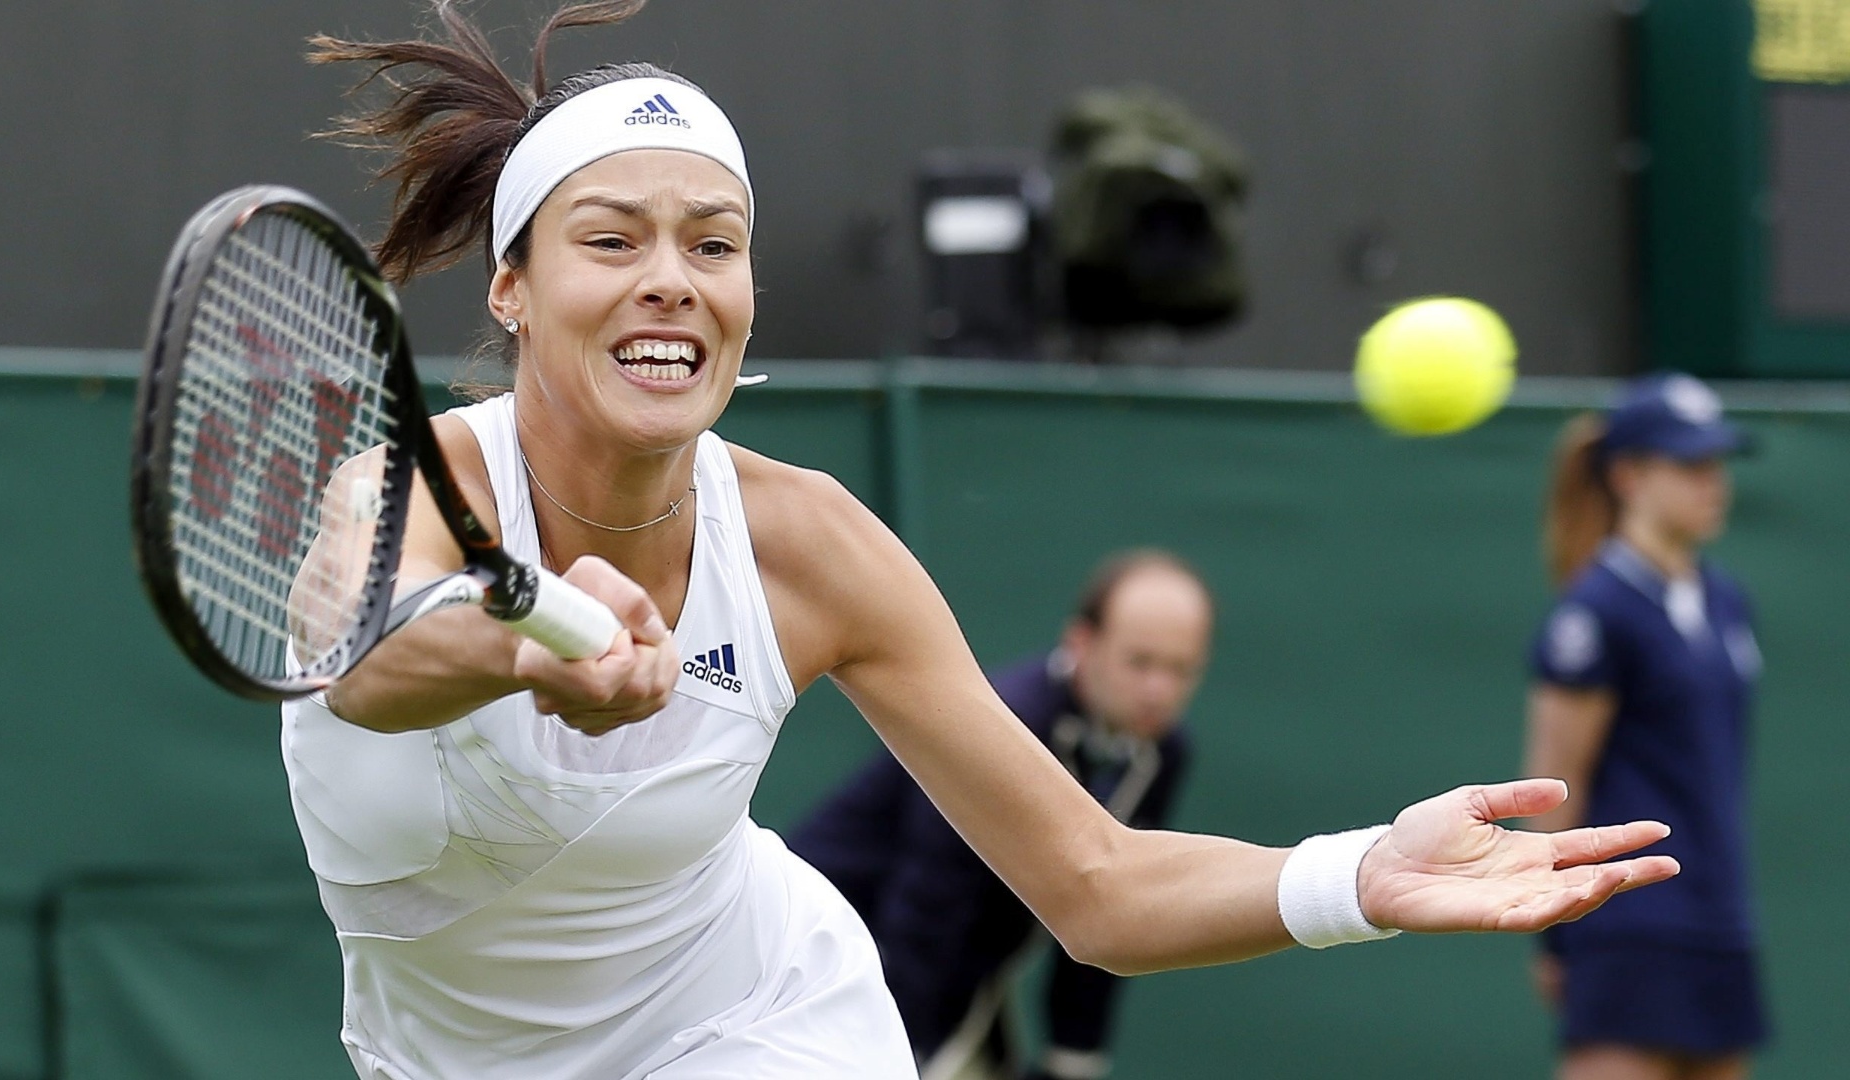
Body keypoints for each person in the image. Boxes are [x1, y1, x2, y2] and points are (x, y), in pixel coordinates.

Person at [278, 3, 1678, 1078]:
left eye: (713, 244)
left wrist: (1358, 876)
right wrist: (528, 655)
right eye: (613, 240)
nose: (671, 282)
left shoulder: (810, 544)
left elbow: (1095, 887)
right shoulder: (395, 494)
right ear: (514, 287)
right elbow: (369, 662)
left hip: (756, 1028)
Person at [793, 550, 1211, 1080]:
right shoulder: (1015, 718)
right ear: (1082, 644)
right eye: (1141, 662)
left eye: (1180, 669)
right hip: (832, 965)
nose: (1160, 691)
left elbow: (1112, 908)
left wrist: (1071, 1059)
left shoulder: (1161, 755)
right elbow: (928, 907)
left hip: (958, 977)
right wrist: (896, 1057)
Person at [1522, 373, 1766, 1080]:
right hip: (1628, 927)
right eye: (1690, 466)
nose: (1712, 483)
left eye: (1717, 464)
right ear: (1628, 475)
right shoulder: (1595, 612)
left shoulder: (1725, 600)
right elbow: (1555, 789)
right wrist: (1557, 933)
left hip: (1719, 921)